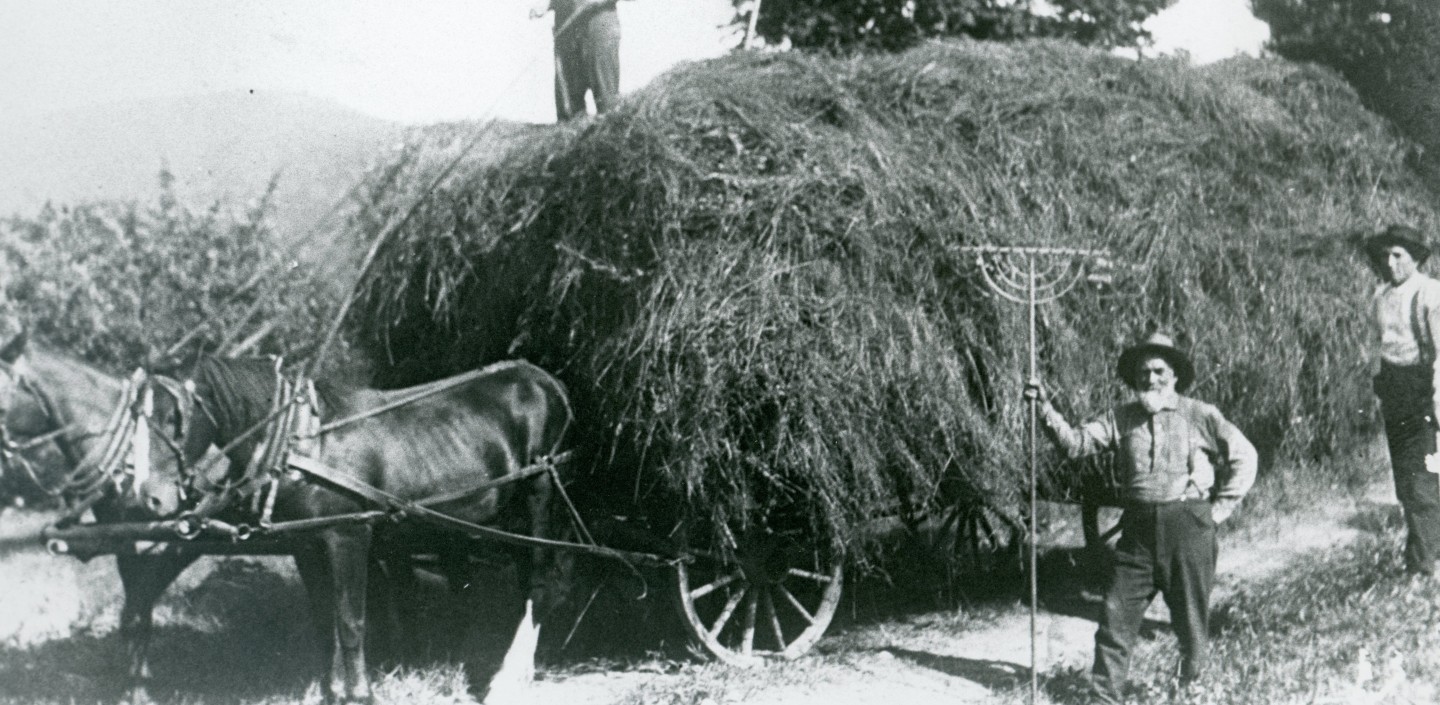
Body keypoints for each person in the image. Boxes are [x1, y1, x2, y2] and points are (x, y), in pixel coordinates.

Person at [1025, 332, 1257, 703]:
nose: (1150, 379)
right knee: (1115, 616)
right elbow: (1076, 444)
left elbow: (1245, 457)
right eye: (1143, 372)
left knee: (1190, 624)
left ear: (1175, 375)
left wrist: (1217, 512)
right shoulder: (1121, 418)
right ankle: (1105, 697)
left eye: (1159, 371)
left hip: (1188, 527)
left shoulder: (1200, 414)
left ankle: (1190, 692)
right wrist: (1044, 410)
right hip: (1137, 534)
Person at [1365, 224, 1440, 577]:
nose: (1390, 263)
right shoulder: (1380, 297)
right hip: (1395, 393)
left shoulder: (1430, 293)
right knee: (1405, 481)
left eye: (1398, 255)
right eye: (1385, 256)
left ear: (1415, 259)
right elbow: (1377, 347)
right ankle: (1424, 552)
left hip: (1426, 393)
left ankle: (1423, 567)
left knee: (1423, 478)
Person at [534, 0, 621, 121]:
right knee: (568, 113)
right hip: (565, 26)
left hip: (598, 22)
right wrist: (545, 4)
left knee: (608, 107)